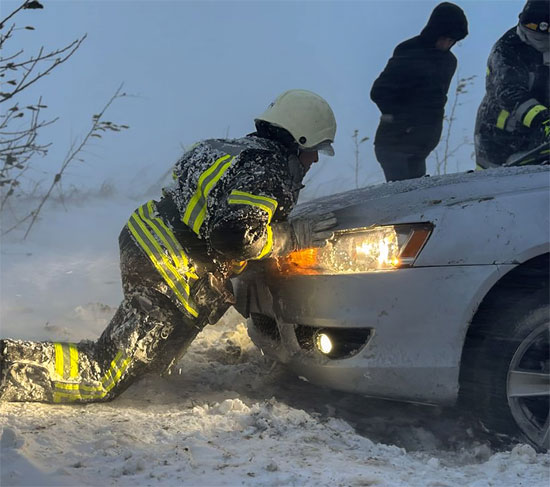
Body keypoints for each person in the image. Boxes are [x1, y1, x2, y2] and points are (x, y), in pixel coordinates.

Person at [0, 89, 338, 403]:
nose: (315, 160)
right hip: (167, 266)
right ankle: (5, 370)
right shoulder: (270, 170)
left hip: (146, 240)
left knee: (150, 366)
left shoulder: (224, 148)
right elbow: (235, 237)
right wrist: (290, 238)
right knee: (104, 373)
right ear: (299, 138)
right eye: (314, 150)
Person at [370, 2, 468, 181]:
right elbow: (379, 91)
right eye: (445, 37)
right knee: (403, 199)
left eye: (453, 40)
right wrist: (404, 122)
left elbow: (434, 102)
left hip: (420, 147)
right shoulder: (410, 52)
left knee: (418, 196)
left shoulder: (449, 62)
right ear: (434, 31)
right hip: (394, 145)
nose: (447, 43)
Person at [475, 0, 550, 169]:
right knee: (490, 189)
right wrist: (543, 120)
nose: (539, 39)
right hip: (500, 138)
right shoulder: (506, 49)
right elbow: (509, 92)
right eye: (532, 30)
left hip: (540, 139)